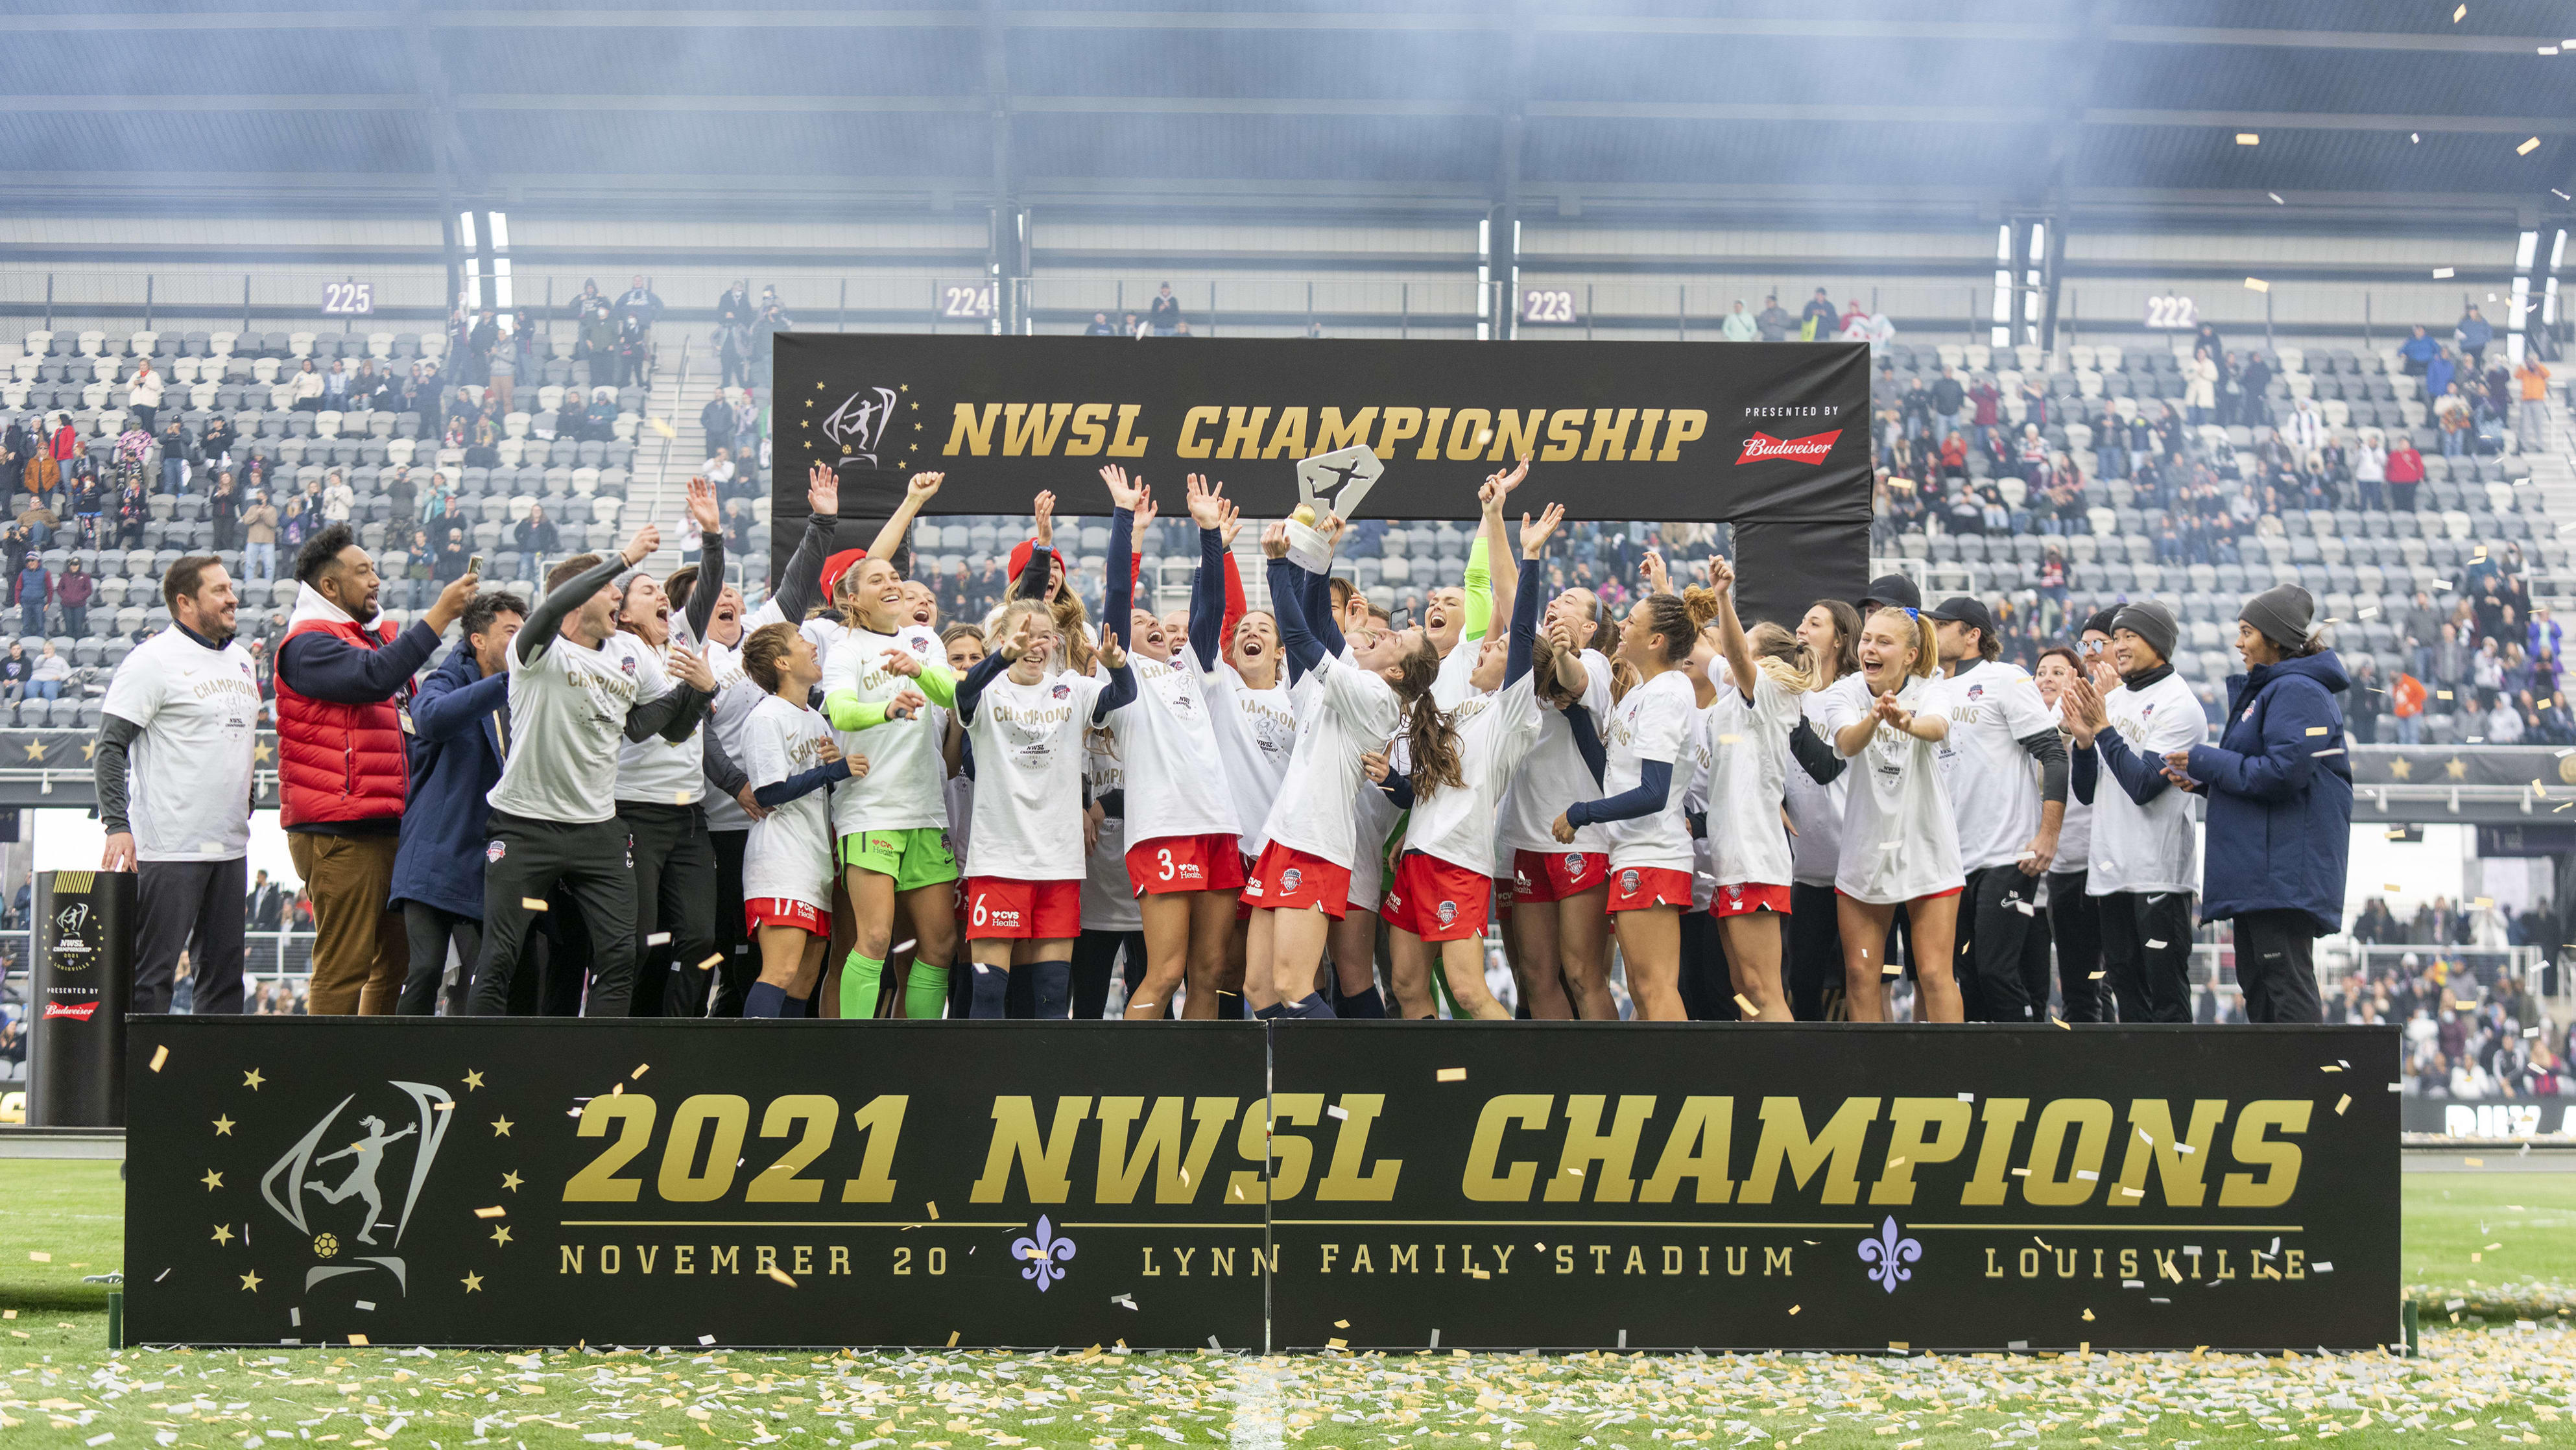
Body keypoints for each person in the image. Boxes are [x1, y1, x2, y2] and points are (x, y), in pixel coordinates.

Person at [466, 525, 712, 1017]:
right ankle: (481, 1077)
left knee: (623, 955)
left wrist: (699, 690)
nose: (619, 599)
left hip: (599, 830)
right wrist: (622, 558)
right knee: (500, 958)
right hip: (524, 824)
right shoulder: (536, 652)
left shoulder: (628, 654)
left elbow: (662, 729)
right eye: (609, 590)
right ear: (576, 602)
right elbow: (552, 607)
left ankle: (600, 1072)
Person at [274, 523, 483, 1016]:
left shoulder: (367, 642)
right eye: (362, 571)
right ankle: (327, 1080)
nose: (375, 580)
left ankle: (373, 1070)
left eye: (373, 570)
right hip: (339, 829)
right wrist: (438, 617)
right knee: (344, 966)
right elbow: (374, 679)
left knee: (398, 964)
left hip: (389, 824)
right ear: (329, 587)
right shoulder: (306, 645)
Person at [1381, 487, 1558, 1021]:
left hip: (1459, 860)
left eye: (1498, 648)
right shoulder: (1462, 707)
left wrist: (1527, 556)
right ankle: (1437, 1088)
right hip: (1418, 855)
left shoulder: (1512, 712)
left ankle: (1515, 1085)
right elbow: (1432, 785)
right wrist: (1406, 823)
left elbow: (1519, 626)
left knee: (1467, 991)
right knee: (1408, 987)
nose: (1486, 647)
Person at [1244, 514, 1427, 1019]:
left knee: (1295, 987)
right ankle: (1298, 1088)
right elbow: (1322, 625)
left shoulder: (1376, 696)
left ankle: (1343, 1088)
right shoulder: (1355, 675)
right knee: (1258, 989)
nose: (1380, 633)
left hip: (1316, 841)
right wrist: (1319, 555)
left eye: (1393, 639)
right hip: (1285, 835)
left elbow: (1303, 640)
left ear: (1396, 670)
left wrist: (1278, 566)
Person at [1092, 471, 1246, 1018]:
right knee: (1165, 971)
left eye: (1156, 620)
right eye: (1141, 621)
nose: (1153, 624)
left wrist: (1210, 534)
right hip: (1163, 828)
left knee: (1211, 974)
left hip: (1217, 826)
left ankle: (1196, 1080)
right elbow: (1115, 597)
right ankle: (1136, 1079)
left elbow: (1210, 612)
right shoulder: (1121, 677)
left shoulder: (1193, 666)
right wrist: (1125, 523)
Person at [953, 573, 1136, 1019]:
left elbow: (1124, 694)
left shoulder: (1071, 688)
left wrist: (1117, 664)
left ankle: (1041, 1086)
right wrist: (1001, 658)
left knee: (1054, 995)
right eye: (1025, 636)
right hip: (998, 860)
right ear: (1002, 638)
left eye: (1045, 637)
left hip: (1059, 859)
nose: (1036, 646)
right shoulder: (988, 688)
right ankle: (987, 1084)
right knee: (989, 994)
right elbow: (964, 693)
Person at [2169, 586, 2352, 1024]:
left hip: (2281, 877)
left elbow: (2283, 773)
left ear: (2274, 638)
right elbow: (2263, 779)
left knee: (2283, 987)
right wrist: (2203, 783)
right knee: (2263, 989)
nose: (2238, 643)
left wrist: (2205, 759)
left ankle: (2305, 1087)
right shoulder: (2279, 690)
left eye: (2247, 631)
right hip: (2265, 874)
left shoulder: (2298, 690)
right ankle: (2281, 1087)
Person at [95, 556, 259, 1016]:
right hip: (169, 850)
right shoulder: (151, 662)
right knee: (151, 982)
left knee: (225, 984)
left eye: (231, 588)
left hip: (230, 849)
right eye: (220, 591)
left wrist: (247, 796)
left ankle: (213, 1084)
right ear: (185, 602)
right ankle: (144, 1085)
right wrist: (116, 825)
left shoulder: (244, 661)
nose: (233, 598)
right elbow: (109, 746)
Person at [1549, 587, 1713, 1021]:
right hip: (1635, 853)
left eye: (1633, 622)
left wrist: (1581, 813)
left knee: (1654, 988)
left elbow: (1653, 792)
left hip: (1654, 853)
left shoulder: (1667, 695)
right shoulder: (1644, 691)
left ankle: (1678, 1085)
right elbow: (1613, 771)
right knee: (1644, 990)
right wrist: (1574, 714)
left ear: (1656, 640)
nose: (1621, 625)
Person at [608, 477, 726, 1017]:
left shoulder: (681, 638)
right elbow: (642, 727)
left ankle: (679, 1032)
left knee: (700, 938)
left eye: (662, 591)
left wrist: (712, 534)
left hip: (689, 816)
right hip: (634, 811)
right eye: (647, 591)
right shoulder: (621, 651)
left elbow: (707, 588)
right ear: (623, 613)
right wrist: (698, 688)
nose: (662, 596)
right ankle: (624, 1032)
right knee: (639, 942)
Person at [1924, 595, 2067, 1022]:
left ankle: (2023, 1068)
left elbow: (2053, 755)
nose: (1932, 631)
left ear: (1973, 635)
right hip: (1950, 858)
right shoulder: (1927, 688)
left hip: (2007, 853)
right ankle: (1980, 1079)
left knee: (1995, 970)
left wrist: (2048, 835)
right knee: (1965, 973)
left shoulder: (2005, 678)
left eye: (1942, 624)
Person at [2061, 600, 2202, 1023]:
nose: (2118, 646)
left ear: (2158, 643)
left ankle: (2177, 1086)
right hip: (2111, 871)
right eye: (2116, 637)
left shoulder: (2180, 705)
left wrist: (2103, 729)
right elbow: (2087, 793)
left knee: (2166, 998)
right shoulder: (2116, 699)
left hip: (2158, 873)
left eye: (2129, 637)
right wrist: (2085, 743)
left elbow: (2143, 786)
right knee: (2126, 991)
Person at [389, 590, 528, 1016]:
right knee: (427, 969)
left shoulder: (527, 693)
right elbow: (430, 718)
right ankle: (402, 1068)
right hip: (436, 853)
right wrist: (505, 682)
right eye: (511, 632)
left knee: (492, 971)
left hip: (491, 859)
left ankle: (475, 1070)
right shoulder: (446, 681)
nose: (522, 642)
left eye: (526, 633)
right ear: (478, 640)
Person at [1824, 606, 1963, 1023]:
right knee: (1861, 973)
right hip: (1866, 852)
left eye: (1884, 642)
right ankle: (1873, 1083)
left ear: (1910, 655)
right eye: (1867, 639)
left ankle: (1951, 1082)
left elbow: (1937, 727)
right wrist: (1874, 718)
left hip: (1928, 848)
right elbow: (1847, 743)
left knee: (1936, 975)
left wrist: (1907, 723)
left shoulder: (1932, 689)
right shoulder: (1845, 692)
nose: (1870, 648)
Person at [1689, 556, 1809, 1021]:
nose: (1732, 653)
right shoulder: (1736, 692)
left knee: (1762, 988)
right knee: (1743, 989)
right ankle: (1759, 1082)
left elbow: (1734, 656)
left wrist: (1722, 597)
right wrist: (1663, 587)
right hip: (1731, 853)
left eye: (1745, 647)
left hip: (1754, 853)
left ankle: (1787, 1080)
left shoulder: (1774, 692)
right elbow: (1702, 651)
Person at [737, 623, 868, 1017]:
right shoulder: (767, 717)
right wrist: (834, 770)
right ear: (782, 662)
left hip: (814, 860)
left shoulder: (814, 716)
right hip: (780, 860)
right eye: (801, 642)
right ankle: (752, 1073)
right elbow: (768, 792)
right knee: (781, 971)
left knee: (803, 982)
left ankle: (786, 1072)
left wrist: (828, 768)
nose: (813, 646)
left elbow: (814, 783)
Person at [1781, 599, 1860, 1020]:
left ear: (1840, 637)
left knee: (1864, 978)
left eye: (1815, 623)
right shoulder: (1788, 692)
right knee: (1803, 981)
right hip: (1807, 870)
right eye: (1801, 620)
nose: (1801, 629)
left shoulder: (1853, 694)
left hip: (1855, 869)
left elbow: (1827, 767)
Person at [2031, 645, 2104, 1022]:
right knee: (2040, 982)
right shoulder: (2019, 721)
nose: (2046, 678)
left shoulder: (2083, 721)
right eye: (2041, 671)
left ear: (2077, 679)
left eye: (2058, 672)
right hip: (2035, 869)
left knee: (2088, 983)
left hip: (2080, 862)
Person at [246, 868, 283, 933]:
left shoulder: (272, 892)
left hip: (266, 924)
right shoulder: (257, 891)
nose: (257, 878)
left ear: (263, 876)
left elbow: (275, 906)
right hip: (255, 923)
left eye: (259, 876)